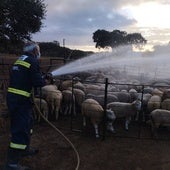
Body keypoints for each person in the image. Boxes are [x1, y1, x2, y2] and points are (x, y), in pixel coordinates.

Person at [4, 42, 45, 170]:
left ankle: (25, 148)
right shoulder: (32, 61)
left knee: (28, 123)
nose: (38, 53)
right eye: (38, 50)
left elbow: (25, 78)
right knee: (20, 129)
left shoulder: (20, 60)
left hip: (17, 99)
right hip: (20, 100)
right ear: (34, 51)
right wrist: (45, 79)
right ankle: (12, 163)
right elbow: (38, 82)